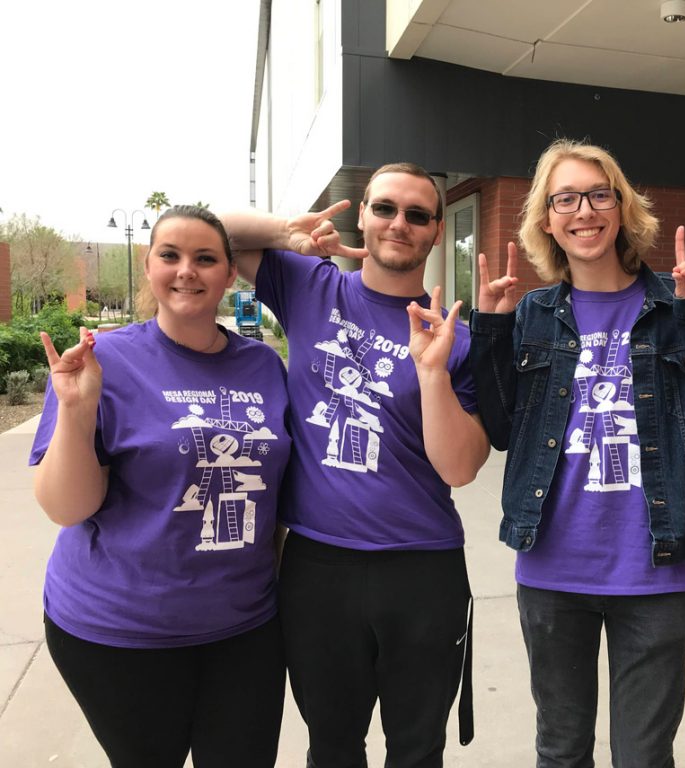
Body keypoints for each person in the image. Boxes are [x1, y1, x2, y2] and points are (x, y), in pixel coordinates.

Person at [469, 138, 685, 767]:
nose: (583, 211)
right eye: (565, 198)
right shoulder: (530, 314)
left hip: (655, 569)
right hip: (553, 571)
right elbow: (504, 429)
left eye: (598, 194)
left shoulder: (677, 306)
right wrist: (491, 330)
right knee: (561, 751)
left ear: (622, 208)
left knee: (643, 757)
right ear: (546, 218)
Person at [218, 161, 490, 768]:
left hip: (422, 569)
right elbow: (213, 230)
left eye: (418, 215)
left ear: (437, 232)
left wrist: (432, 372)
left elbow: (460, 469)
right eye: (386, 208)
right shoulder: (311, 284)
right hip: (320, 568)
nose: (400, 224)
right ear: (362, 213)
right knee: (333, 746)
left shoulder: (456, 339)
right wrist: (287, 230)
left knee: (418, 751)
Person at [31, 205, 292, 768]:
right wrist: (76, 414)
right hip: (119, 632)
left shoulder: (264, 367)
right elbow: (67, 506)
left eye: (205, 258)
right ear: (148, 267)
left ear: (229, 274)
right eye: (169, 256)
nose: (186, 271)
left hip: (244, 627)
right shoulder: (105, 360)